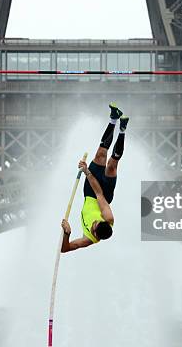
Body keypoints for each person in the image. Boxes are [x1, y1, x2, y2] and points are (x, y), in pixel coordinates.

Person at [61, 103, 129, 253]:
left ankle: (119, 126)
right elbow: (99, 193)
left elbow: (65, 249)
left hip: (89, 194)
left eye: (94, 226)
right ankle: (116, 121)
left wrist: (67, 233)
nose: (93, 224)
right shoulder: (108, 218)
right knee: (110, 163)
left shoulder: (89, 239)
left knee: (102, 157)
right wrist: (87, 172)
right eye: (96, 223)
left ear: (96, 235)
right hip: (102, 194)